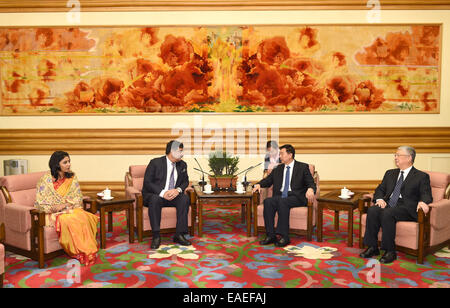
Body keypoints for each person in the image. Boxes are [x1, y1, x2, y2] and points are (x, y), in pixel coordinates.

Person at [360, 146, 432, 264]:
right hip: (389, 204)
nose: (395, 157)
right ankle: (372, 247)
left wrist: (423, 202)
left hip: (407, 207)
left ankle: (390, 251)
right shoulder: (390, 173)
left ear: (409, 158)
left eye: (398, 155)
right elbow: (380, 189)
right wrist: (379, 199)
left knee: (388, 213)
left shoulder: (421, 176)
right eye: (395, 155)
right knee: (373, 210)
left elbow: (426, 194)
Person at [35, 151, 98, 266]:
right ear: (57, 164)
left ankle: (87, 249)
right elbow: (40, 202)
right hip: (52, 213)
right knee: (68, 220)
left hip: (69, 209)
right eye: (65, 162)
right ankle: (80, 251)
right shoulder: (46, 180)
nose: (68, 164)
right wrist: (55, 207)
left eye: (69, 162)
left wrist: (65, 205)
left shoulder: (72, 177)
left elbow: (78, 197)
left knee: (85, 216)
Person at [253, 144, 316, 247]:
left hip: (296, 197)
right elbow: (268, 181)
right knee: (268, 202)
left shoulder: (302, 167)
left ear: (290, 155)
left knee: (283, 201)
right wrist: (259, 184)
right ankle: (271, 235)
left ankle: (284, 236)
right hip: (281, 196)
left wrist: (310, 189)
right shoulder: (278, 168)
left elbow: (311, 182)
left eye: (282, 154)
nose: (279, 156)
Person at [142, 140, 191, 249]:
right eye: (180, 151)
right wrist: (163, 192)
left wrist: (177, 190)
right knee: (155, 200)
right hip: (157, 195)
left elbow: (185, 182)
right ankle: (156, 235)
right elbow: (147, 182)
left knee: (184, 199)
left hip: (173, 195)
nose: (182, 154)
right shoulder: (155, 163)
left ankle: (179, 234)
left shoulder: (182, 164)